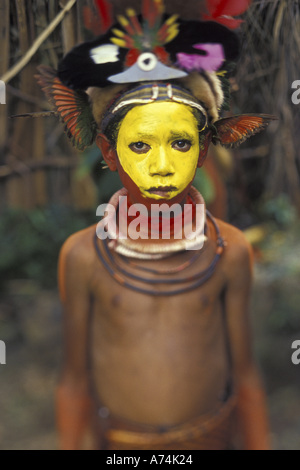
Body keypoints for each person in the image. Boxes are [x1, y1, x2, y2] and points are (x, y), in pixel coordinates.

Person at [37, 0, 274, 450]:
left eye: (181, 142)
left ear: (203, 152)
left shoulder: (231, 250)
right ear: (109, 154)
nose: (163, 166)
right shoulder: (84, 256)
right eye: (140, 145)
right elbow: (74, 380)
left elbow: (245, 373)